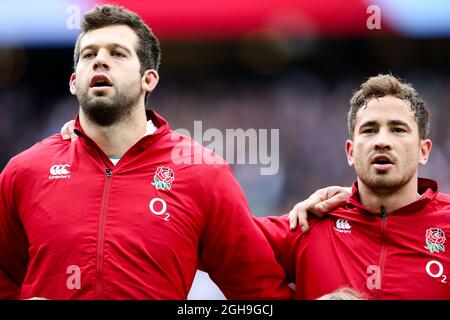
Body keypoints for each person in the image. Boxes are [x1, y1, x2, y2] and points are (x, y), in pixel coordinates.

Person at [0, 4, 295, 300]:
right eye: (89, 54)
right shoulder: (24, 172)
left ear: (148, 79)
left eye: (117, 53)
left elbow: (259, 291)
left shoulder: (203, 174)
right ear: (74, 82)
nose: (100, 60)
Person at [255, 74, 450, 299]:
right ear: (350, 152)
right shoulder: (308, 225)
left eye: (398, 129)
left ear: (423, 151)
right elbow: (225, 233)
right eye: (369, 130)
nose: (382, 141)